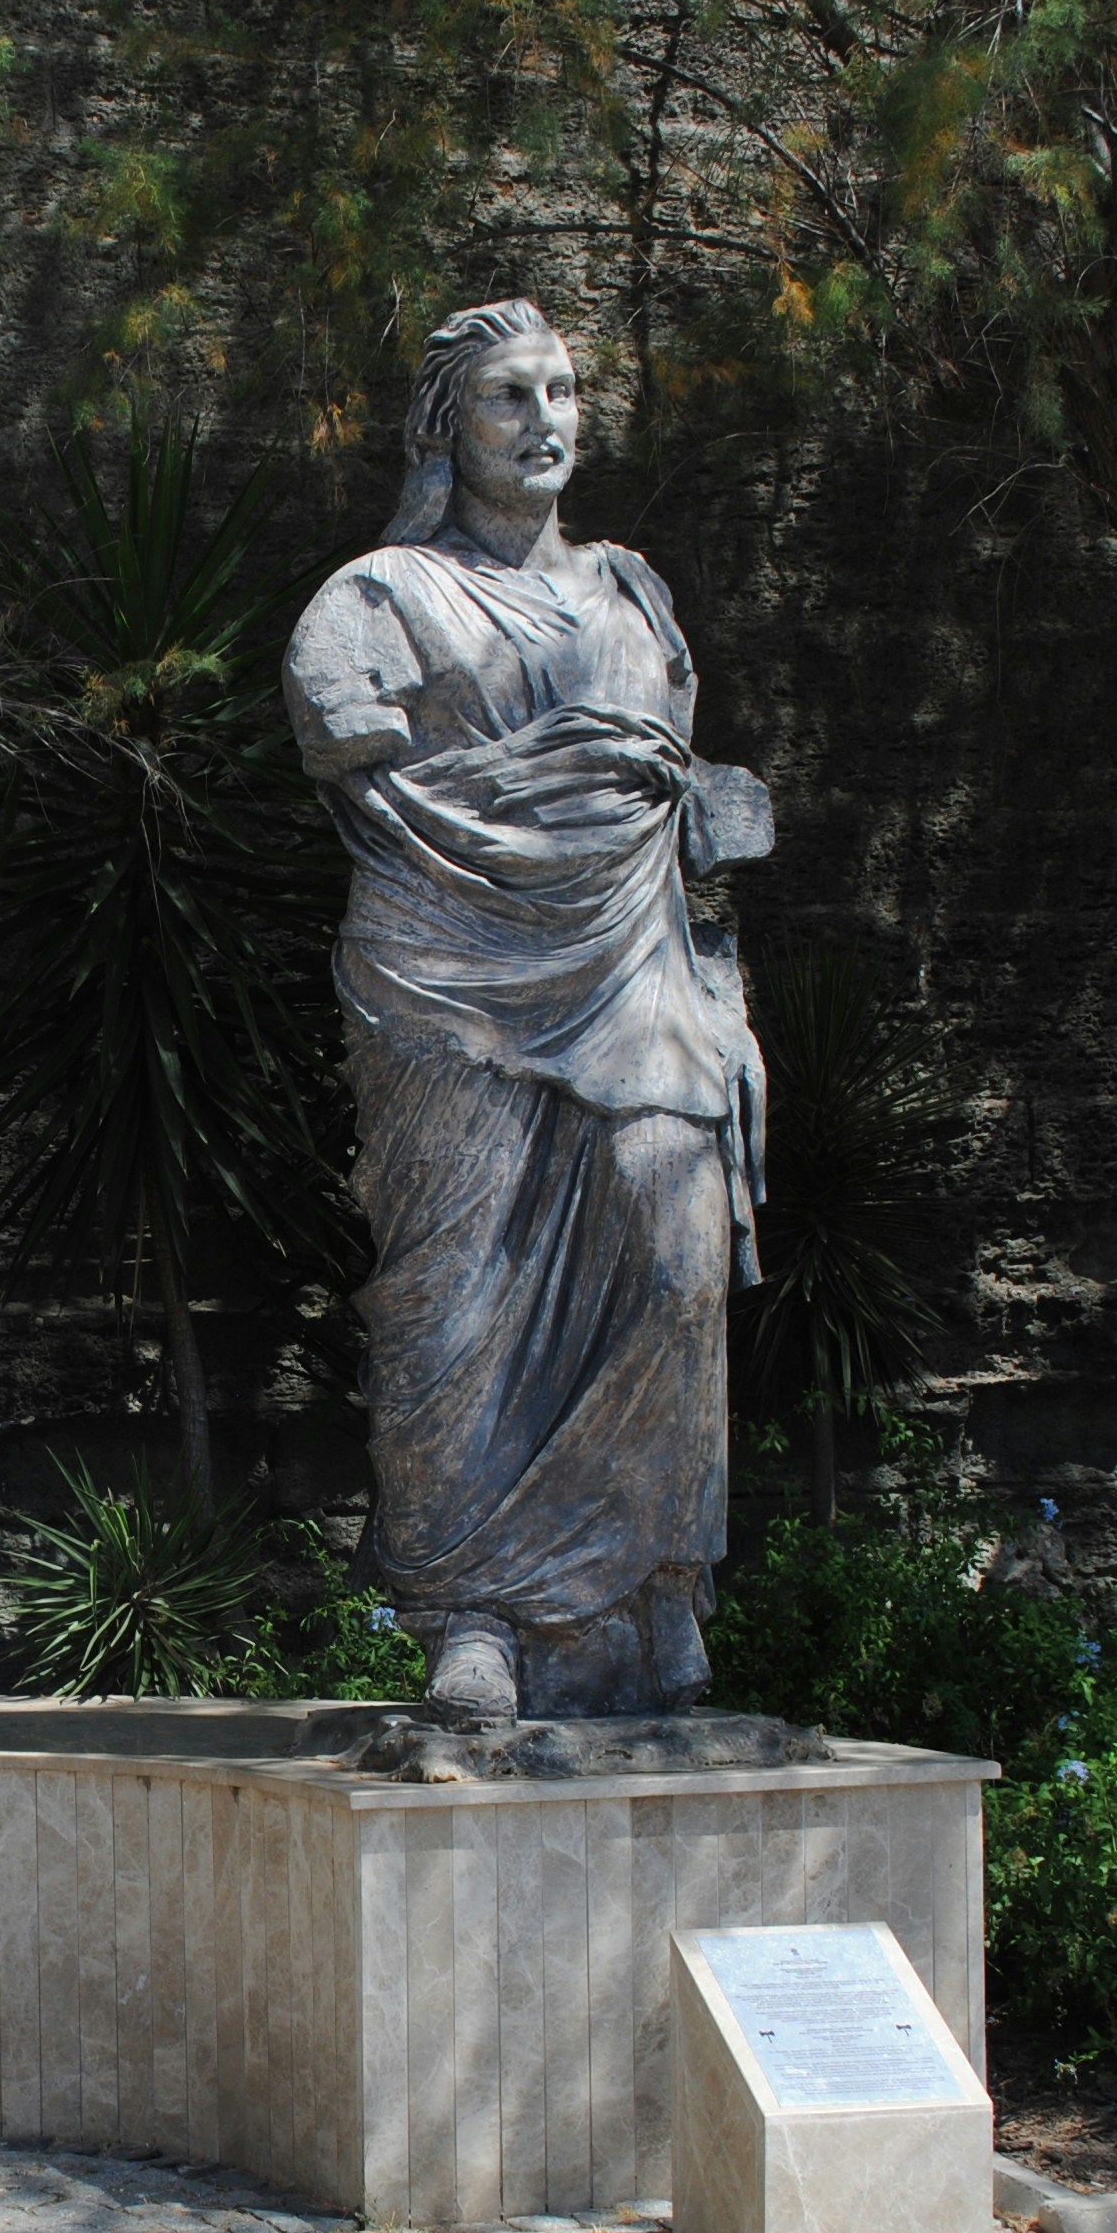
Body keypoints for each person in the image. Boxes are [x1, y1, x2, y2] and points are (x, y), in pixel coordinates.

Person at [282, 300, 771, 1727]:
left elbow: (659, 785)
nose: (544, 418)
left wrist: (707, 818)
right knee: (463, 1299)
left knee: (674, 1266)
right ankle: (474, 1617)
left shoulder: (633, 595)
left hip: (634, 969)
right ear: (449, 424)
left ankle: (654, 1582)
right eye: (509, 394)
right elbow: (364, 765)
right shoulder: (374, 603)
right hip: (444, 979)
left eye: (561, 389)